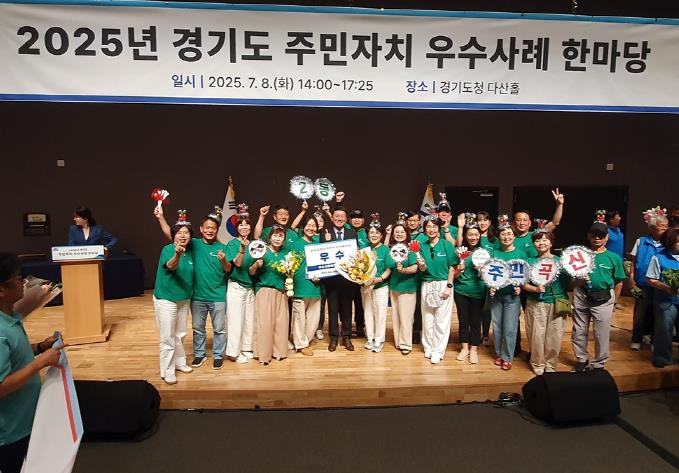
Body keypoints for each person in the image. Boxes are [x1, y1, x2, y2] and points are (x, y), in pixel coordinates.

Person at [0, 252, 64, 473]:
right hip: (11, 433)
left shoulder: (10, 318)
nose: (24, 283)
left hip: (26, 422)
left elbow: (13, 356)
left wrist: (39, 348)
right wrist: (40, 363)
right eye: (18, 278)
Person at [155, 206, 231, 370]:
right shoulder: (193, 244)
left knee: (219, 329)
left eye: (213, 228)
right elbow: (174, 235)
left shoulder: (223, 247)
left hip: (218, 296)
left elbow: (228, 269)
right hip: (197, 297)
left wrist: (223, 260)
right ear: (201, 229)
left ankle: (218, 355)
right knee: (198, 329)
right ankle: (200, 354)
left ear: (217, 230)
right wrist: (161, 218)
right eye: (207, 227)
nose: (210, 230)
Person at [571, 220, 627, 372]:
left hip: (604, 298)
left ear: (607, 237)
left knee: (601, 333)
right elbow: (571, 282)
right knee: (579, 330)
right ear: (588, 236)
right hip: (581, 295)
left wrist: (614, 301)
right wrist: (579, 281)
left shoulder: (614, 257)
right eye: (594, 234)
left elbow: (619, 282)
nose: (597, 238)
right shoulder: (579, 255)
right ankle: (581, 359)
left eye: (601, 235)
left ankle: (599, 363)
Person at [152, 212, 195, 384]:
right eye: (179, 233)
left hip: (183, 298)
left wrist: (162, 218)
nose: (183, 235)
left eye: (186, 233)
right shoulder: (168, 249)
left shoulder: (192, 250)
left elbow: (169, 230)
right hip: (166, 298)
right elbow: (170, 266)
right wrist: (177, 254)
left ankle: (180, 362)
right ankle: (167, 370)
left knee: (180, 334)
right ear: (173, 236)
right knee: (167, 336)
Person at [522, 229, 570, 375]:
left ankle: (551, 364)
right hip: (536, 302)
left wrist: (582, 278)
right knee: (536, 334)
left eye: (545, 240)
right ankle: (537, 363)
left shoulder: (561, 261)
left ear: (551, 243)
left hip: (558, 301)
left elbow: (570, 284)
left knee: (555, 335)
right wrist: (535, 289)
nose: (541, 243)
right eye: (537, 240)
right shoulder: (530, 261)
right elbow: (523, 283)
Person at [417, 214, 460, 364]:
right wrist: (422, 265)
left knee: (442, 319)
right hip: (427, 284)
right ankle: (428, 347)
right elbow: (422, 269)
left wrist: (449, 286)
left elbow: (452, 267)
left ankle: (438, 350)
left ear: (439, 228)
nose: (431, 229)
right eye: (428, 226)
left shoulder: (446, 244)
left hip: (443, 283)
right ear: (424, 229)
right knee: (427, 318)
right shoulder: (422, 246)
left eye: (434, 226)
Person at [488, 216, 526, 371]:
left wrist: (520, 287)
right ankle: (499, 354)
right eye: (503, 234)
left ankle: (507, 357)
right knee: (497, 327)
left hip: (513, 297)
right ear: (499, 237)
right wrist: (490, 286)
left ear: (514, 236)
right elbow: (488, 274)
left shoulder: (521, 254)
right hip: (496, 296)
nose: (506, 237)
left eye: (509, 234)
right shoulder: (494, 253)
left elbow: (524, 275)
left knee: (510, 328)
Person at [629, 207, 669, 350]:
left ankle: (653, 340)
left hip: (661, 284)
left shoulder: (668, 243)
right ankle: (636, 339)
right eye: (661, 226)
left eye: (666, 226)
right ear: (652, 228)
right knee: (640, 313)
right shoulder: (641, 241)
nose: (664, 229)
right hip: (643, 283)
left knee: (658, 313)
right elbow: (633, 262)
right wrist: (631, 279)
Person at [251, 225, 290, 365]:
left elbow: (289, 273)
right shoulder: (262, 251)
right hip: (265, 290)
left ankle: (279, 352)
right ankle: (264, 355)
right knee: (265, 324)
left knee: (281, 323)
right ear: (270, 237)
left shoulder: (287, 254)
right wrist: (256, 265)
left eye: (281, 236)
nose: (277, 238)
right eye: (275, 235)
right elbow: (251, 272)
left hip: (281, 292)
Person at [323, 206, 358, 351]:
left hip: (347, 279)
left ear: (346, 218)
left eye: (342, 216)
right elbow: (321, 254)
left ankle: (347, 337)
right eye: (336, 216)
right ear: (332, 217)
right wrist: (327, 242)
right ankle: (333, 338)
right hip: (331, 279)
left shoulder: (352, 233)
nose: (339, 218)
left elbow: (355, 254)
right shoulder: (325, 233)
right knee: (332, 309)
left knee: (347, 308)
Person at [224, 205, 255, 363]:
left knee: (249, 319)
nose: (244, 227)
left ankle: (246, 347)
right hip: (236, 286)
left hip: (250, 287)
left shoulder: (253, 244)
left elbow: (253, 268)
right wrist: (242, 249)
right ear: (236, 228)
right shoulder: (232, 244)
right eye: (241, 225)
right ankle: (233, 352)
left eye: (247, 224)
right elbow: (237, 263)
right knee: (235, 320)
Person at [452, 217, 486, 364]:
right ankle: (465, 348)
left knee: (476, 321)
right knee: (463, 320)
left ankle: (474, 349)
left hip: (478, 291)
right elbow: (453, 275)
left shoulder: (484, 253)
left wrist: (482, 271)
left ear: (480, 236)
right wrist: (459, 270)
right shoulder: (459, 251)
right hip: (461, 291)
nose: (473, 237)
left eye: (476, 235)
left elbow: (489, 276)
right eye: (470, 234)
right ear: (465, 236)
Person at [646, 228, 679, 368]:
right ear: (670, 242)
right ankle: (662, 357)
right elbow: (651, 279)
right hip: (666, 301)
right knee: (664, 329)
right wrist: (667, 288)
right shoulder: (658, 257)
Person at [290, 215, 322, 356]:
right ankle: (300, 344)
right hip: (300, 286)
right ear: (303, 227)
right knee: (299, 318)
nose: (311, 228)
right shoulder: (296, 244)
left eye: (313, 226)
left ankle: (306, 340)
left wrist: (321, 275)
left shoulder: (318, 244)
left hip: (315, 286)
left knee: (313, 318)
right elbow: (290, 265)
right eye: (308, 225)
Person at [388, 215, 420, 355]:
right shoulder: (391, 249)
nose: (399, 234)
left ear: (407, 233)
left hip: (407, 286)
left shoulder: (411, 249)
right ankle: (398, 341)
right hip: (394, 286)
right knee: (396, 316)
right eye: (397, 232)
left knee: (406, 317)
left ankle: (406, 343)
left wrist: (404, 270)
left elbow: (415, 268)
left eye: (402, 232)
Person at [361, 215, 392, 353]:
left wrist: (379, 279)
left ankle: (379, 340)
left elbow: (388, 269)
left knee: (380, 314)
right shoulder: (364, 249)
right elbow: (360, 268)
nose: (374, 235)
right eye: (371, 233)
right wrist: (365, 281)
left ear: (381, 235)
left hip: (380, 287)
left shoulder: (385, 250)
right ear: (368, 235)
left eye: (377, 233)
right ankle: (370, 338)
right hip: (366, 287)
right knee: (368, 312)